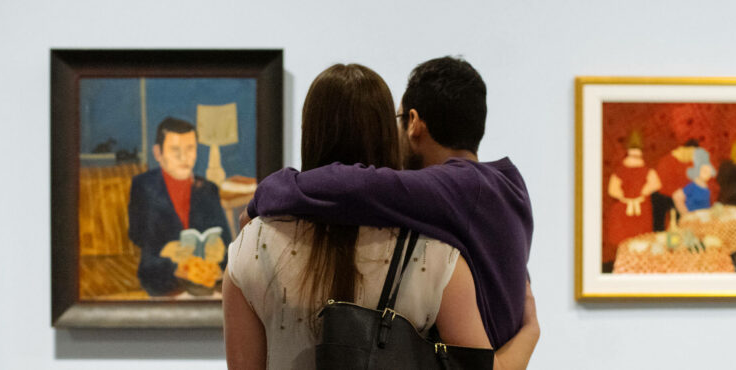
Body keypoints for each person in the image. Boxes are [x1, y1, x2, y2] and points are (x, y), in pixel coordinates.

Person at [223, 64, 539, 370]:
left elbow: (348, 185)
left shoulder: (249, 250)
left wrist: (269, 191)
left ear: (414, 122)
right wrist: (529, 334)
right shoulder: (506, 190)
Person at [127, 117, 231, 297]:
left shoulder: (208, 189)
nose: (184, 157)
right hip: (162, 278)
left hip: (205, 280)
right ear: (158, 153)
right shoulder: (143, 186)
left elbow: (226, 243)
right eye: (175, 150)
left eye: (190, 148)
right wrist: (169, 251)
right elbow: (137, 236)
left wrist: (219, 250)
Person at [602, 131, 660, 273]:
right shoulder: (646, 170)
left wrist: (624, 196)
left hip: (627, 208)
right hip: (637, 208)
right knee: (638, 240)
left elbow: (613, 189)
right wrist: (643, 192)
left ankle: (626, 267)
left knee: (626, 242)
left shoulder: (621, 171)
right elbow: (655, 184)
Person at [650, 140, 696, 231]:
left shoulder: (691, 163)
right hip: (662, 196)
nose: (692, 156)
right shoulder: (667, 160)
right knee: (659, 224)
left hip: (678, 197)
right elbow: (662, 184)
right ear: (684, 150)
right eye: (692, 153)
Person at [673, 147, 715, 214]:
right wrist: (686, 214)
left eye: (708, 172)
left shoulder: (707, 187)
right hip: (694, 219)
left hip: (704, 219)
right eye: (704, 171)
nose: (707, 174)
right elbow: (677, 196)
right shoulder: (693, 186)